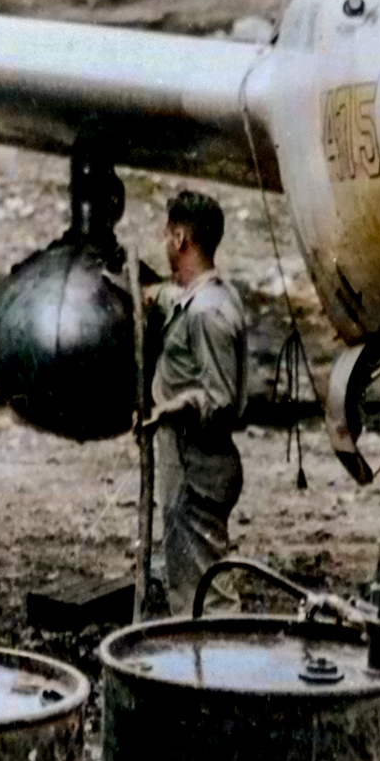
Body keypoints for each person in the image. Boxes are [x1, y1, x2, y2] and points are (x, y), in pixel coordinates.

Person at [143, 189, 248, 615]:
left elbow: (219, 400)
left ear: (181, 238)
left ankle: (219, 671)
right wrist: (154, 293)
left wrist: (168, 409)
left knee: (205, 595)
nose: (165, 243)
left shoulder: (208, 312)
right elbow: (179, 300)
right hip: (191, 461)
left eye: (168, 235)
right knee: (193, 578)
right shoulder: (212, 296)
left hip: (195, 464)